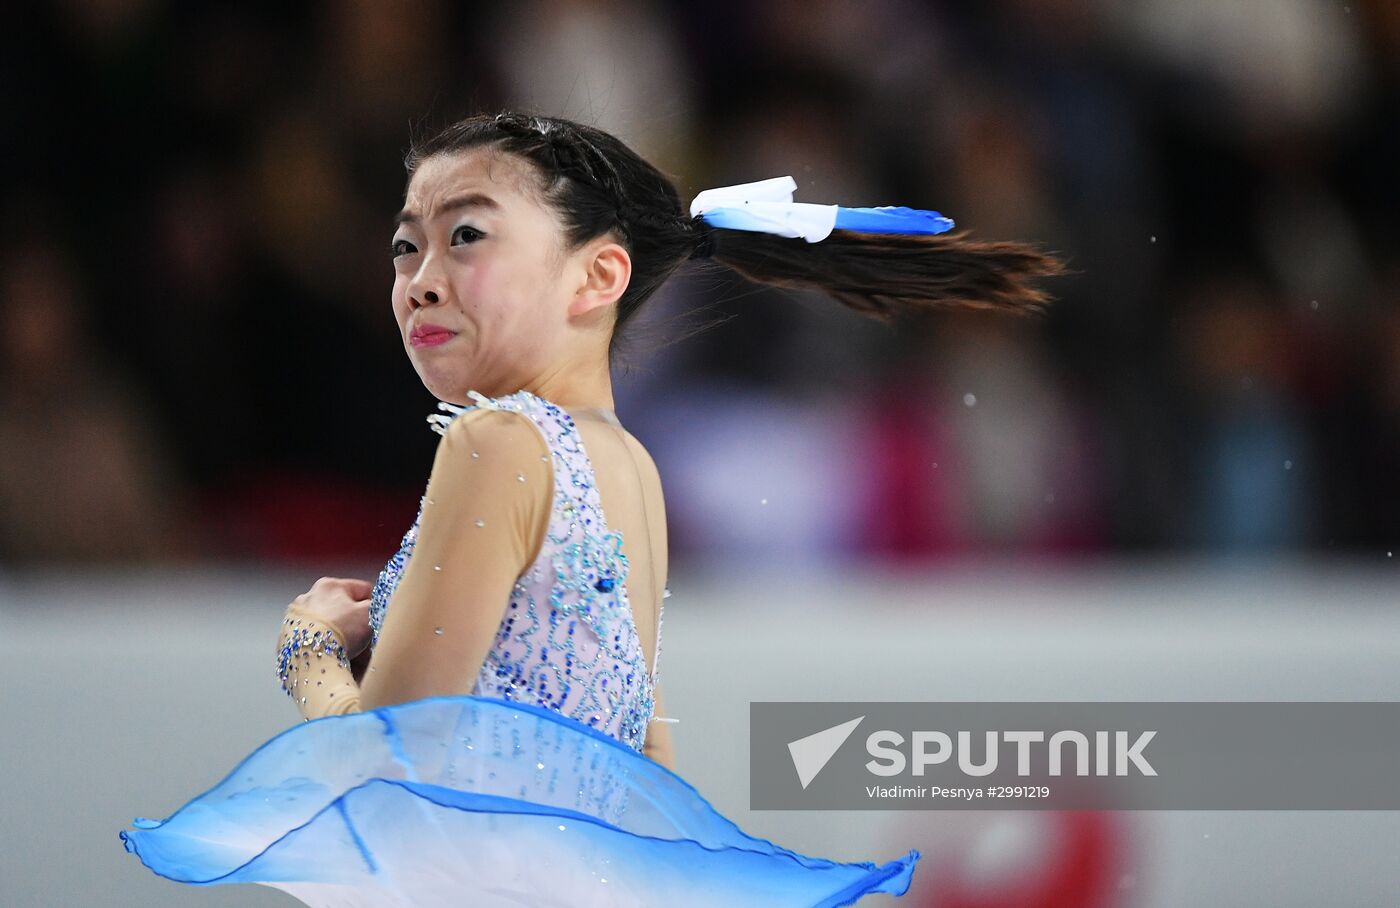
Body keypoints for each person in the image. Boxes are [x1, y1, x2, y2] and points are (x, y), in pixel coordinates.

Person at [119, 110, 1064, 906]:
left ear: (598, 276)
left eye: (468, 235)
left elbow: (388, 767)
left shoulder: (496, 446)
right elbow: (642, 760)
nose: (421, 276)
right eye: (406, 242)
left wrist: (308, 648)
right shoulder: (630, 471)